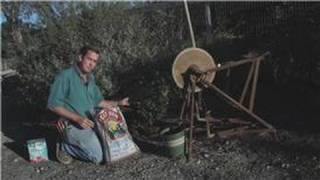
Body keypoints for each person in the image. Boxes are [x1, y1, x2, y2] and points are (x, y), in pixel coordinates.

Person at [47, 46, 129, 164]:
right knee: (98, 157)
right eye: (89, 59)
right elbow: (53, 105)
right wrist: (77, 118)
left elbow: (99, 102)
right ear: (80, 57)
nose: (92, 64)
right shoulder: (65, 76)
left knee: (111, 148)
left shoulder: (91, 78)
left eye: (95, 61)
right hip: (73, 124)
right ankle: (64, 146)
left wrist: (118, 103)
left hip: (93, 122)